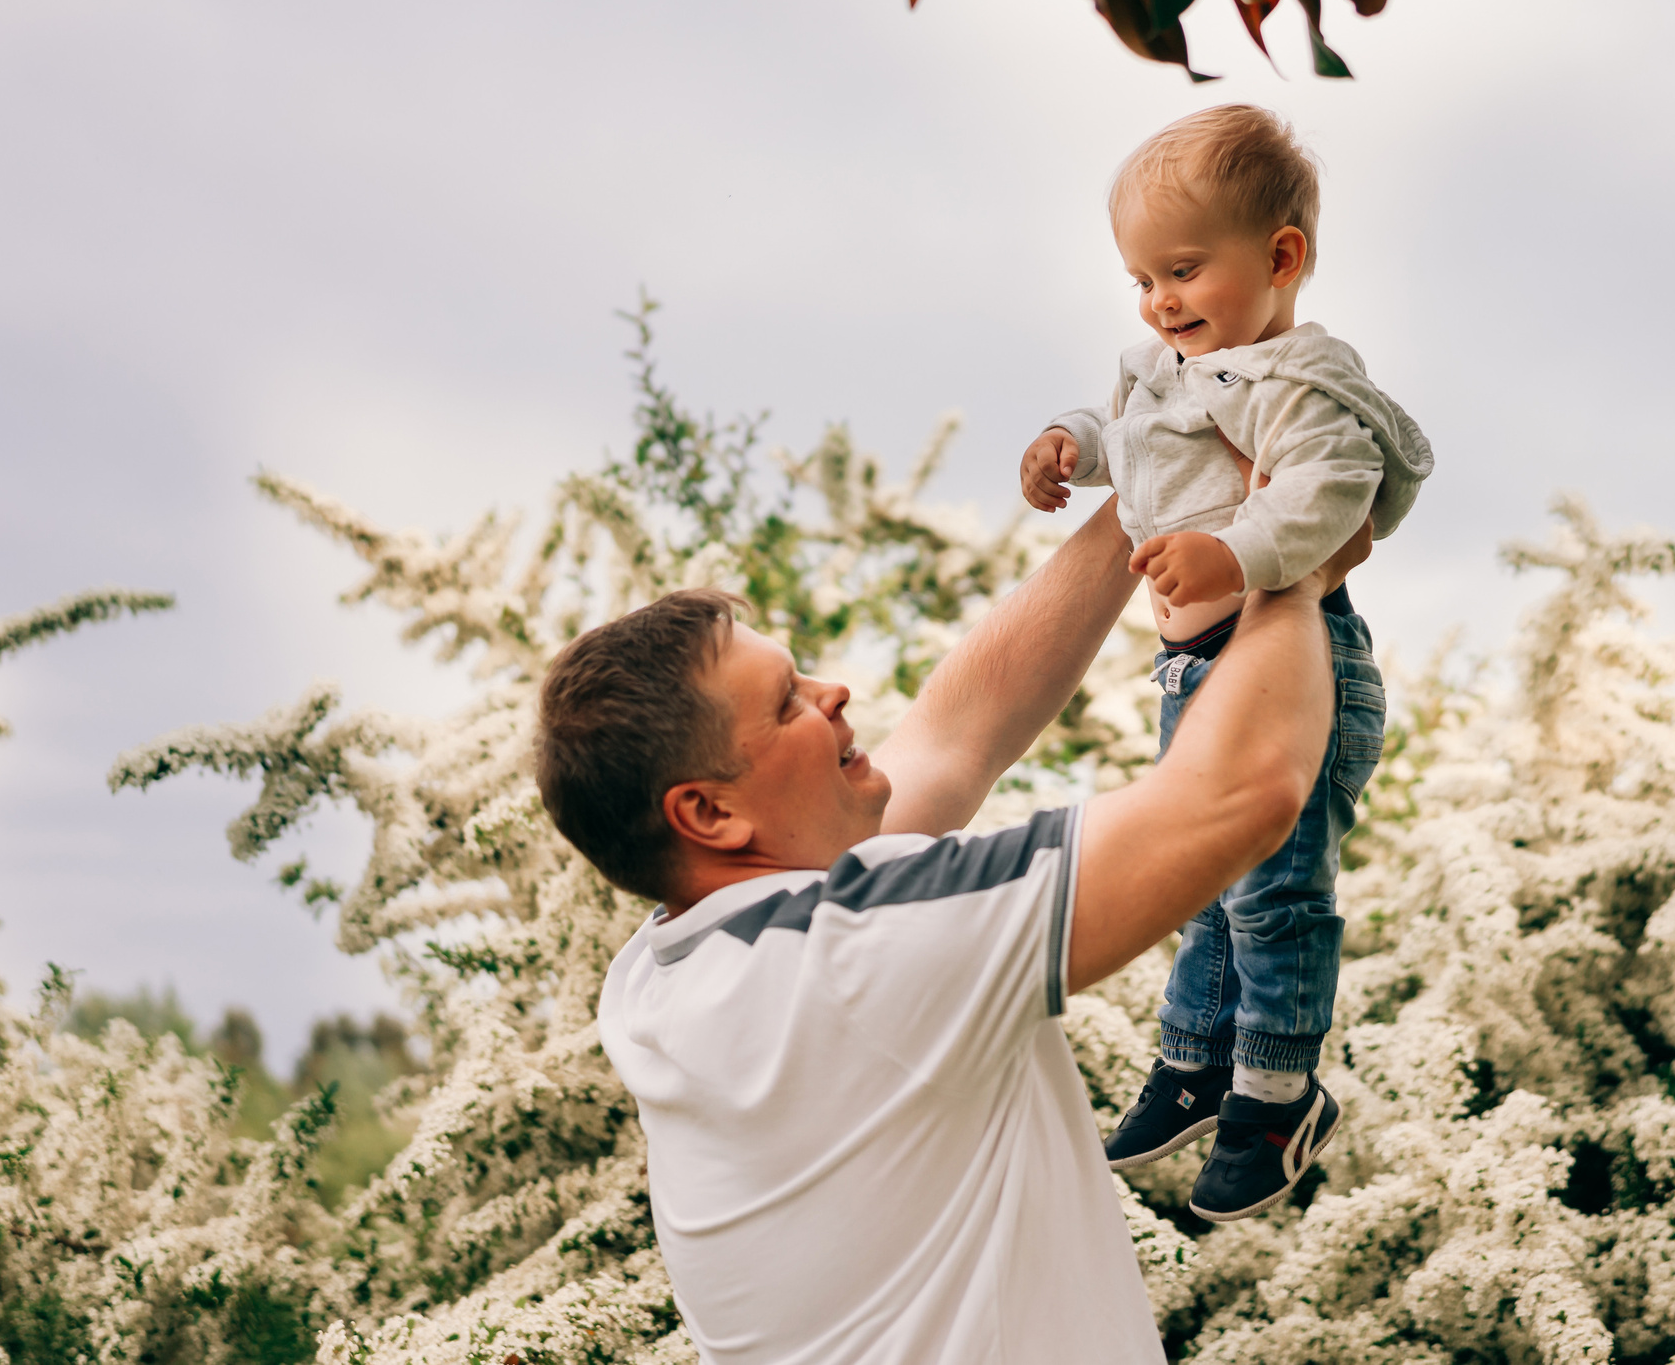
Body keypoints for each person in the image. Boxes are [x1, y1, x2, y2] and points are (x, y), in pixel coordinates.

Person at [546, 495, 1369, 1365]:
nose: (833, 692)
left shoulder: (662, 973)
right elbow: (1242, 793)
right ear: (709, 812)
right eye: (788, 703)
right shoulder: (852, 953)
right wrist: (1294, 558)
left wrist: (1147, 485)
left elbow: (959, 732)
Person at [1020, 105, 1432, 1220]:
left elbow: (1329, 494)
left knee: (1272, 891)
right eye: (1141, 278)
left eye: (1184, 270)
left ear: (1281, 258)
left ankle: (1278, 1096)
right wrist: (1067, 443)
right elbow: (1124, 427)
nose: (1160, 301)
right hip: (1195, 674)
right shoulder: (1170, 368)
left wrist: (1234, 550)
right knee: (1199, 874)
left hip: (1302, 669)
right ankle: (1194, 1061)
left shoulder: (1298, 380)